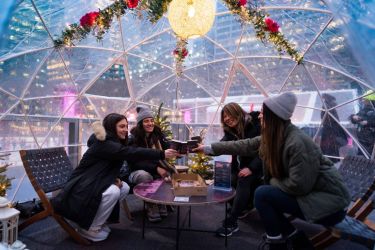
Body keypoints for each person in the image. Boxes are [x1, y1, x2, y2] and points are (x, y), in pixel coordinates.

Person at [194, 92, 350, 250]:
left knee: (263, 194)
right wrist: (206, 148)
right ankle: (291, 239)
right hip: (311, 198)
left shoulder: (297, 142)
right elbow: (243, 145)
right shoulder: (275, 136)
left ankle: (280, 242)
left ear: (273, 116)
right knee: (262, 193)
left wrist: (271, 181)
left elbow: (299, 186)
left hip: (330, 207)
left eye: (263, 113)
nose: (259, 116)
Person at [52, 113, 178, 242]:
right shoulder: (104, 143)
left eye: (126, 126)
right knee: (113, 191)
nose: (125, 129)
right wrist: (161, 154)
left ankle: (98, 221)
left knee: (124, 187)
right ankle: (89, 228)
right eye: (121, 126)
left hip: (95, 179)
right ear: (112, 127)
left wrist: (114, 178)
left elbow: (107, 166)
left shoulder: (113, 141)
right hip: (82, 184)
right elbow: (131, 152)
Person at [216, 102, 262, 237]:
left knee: (243, 180)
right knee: (226, 180)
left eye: (228, 115)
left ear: (238, 112)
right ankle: (243, 207)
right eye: (224, 117)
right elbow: (222, 144)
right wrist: (205, 148)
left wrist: (251, 168)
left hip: (258, 167)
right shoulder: (231, 131)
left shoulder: (256, 126)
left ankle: (232, 221)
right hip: (240, 167)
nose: (226, 119)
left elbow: (265, 152)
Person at [127, 106, 174, 222]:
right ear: (140, 124)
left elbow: (167, 149)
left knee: (168, 172)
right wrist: (156, 168)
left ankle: (161, 200)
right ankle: (151, 205)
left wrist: (178, 150)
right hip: (135, 171)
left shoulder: (157, 136)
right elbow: (135, 162)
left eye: (152, 120)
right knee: (144, 176)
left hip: (154, 168)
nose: (150, 123)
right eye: (146, 121)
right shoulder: (133, 139)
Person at [320, 94, 347, 162]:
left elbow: (329, 120)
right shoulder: (327, 107)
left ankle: (331, 159)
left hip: (330, 131)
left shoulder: (328, 107)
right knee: (330, 147)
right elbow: (330, 120)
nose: (335, 103)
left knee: (330, 147)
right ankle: (331, 160)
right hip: (330, 131)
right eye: (333, 101)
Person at [350, 90, 375, 157]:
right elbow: (357, 118)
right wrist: (353, 117)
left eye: (365, 100)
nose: (363, 101)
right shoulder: (364, 109)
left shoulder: (372, 110)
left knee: (368, 156)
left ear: (370, 101)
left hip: (370, 139)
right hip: (363, 138)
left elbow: (371, 121)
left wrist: (368, 123)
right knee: (363, 155)